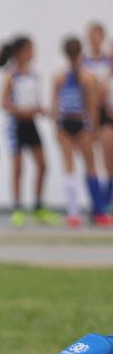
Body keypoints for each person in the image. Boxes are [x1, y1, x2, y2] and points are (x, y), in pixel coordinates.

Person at [0, 36, 54, 227]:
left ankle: (38, 206)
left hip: (31, 124)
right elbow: (4, 103)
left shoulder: (34, 75)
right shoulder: (12, 75)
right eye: (30, 49)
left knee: (43, 165)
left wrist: (41, 109)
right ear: (20, 52)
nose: (33, 53)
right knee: (19, 168)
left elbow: (34, 101)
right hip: (16, 125)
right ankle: (18, 208)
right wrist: (23, 111)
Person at [51, 37, 100, 229]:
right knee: (88, 165)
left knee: (71, 165)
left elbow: (55, 106)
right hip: (75, 122)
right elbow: (92, 106)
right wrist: (92, 128)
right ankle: (93, 211)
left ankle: (76, 212)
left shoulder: (65, 77)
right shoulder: (83, 77)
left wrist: (57, 125)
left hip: (70, 122)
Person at [80, 21, 113, 225]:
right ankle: (97, 206)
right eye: (91, 35)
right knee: (90, 161)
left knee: (109, 160)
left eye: (97, 35)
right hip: (89, 114)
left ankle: (107, 203)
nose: (94, 39)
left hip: (107, 113)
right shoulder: (84, 62)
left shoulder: (109, 61)